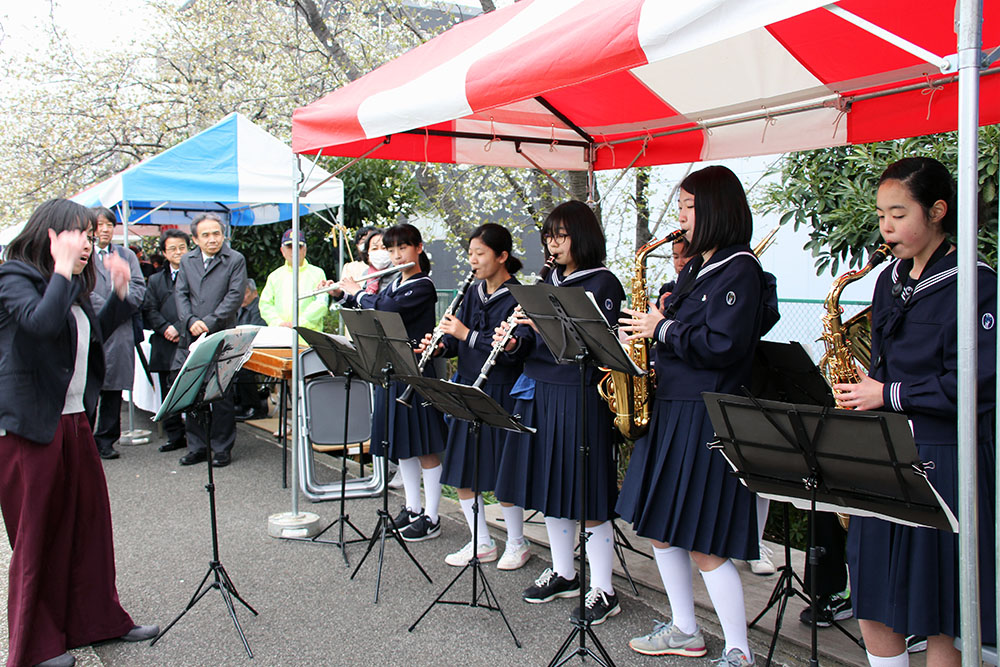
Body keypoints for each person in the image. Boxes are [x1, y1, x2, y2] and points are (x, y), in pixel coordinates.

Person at [834, 157, 996, 667]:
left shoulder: (977, 282)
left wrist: (889, 394)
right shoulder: (888, 280)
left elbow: (978, 383)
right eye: (882, 214)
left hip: (946, 458)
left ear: (937, 212)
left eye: (899, 214)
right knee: (874, 597)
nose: (886, 227)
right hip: (886, 451)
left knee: (941, 610)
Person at [617, 165, 777, 666]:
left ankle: (738, 650)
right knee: (660, 528)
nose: (680, 218)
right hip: (672, 408)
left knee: (706, 542)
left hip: (706, 414)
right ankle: (686, 629)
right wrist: (646, 333)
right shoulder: (698, 267)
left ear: (713, 209)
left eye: (688, 207)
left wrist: (661, 329)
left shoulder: (740, 269)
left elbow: (724, 346)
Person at [0, 199, 158, 667]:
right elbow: (40, 325)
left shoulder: (70, 283)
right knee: (38, 536)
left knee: (89, 525)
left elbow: (87, 334)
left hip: (73, 421)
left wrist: (118, 295)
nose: (88, 244)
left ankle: (99, 620)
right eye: (79, 234)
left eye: (91, 235)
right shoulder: (14, 276)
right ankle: (34, 647)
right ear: (50, 234)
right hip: (29, 426)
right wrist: (64, 271)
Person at [493, 200, 626, 625]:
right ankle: (566, 572)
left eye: (561, 235)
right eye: (549, 235)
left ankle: (603, 588)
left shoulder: (603, 283)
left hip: (580, 394)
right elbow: (531, 346)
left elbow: (594, 346)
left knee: (588, 490)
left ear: (582, 236)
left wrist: (542, 324)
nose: (553, 243)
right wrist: (515, 342)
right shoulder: (549, 278)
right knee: (553, 484)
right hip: (542, 391)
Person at [419, 223, 532, 569]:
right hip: (467, 384)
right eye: (470, 253)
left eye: (480, 254)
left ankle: (517, 542)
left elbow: (512, 351)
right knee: (464, 471)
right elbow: (455, 340)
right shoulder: (472, 292)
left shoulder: (519, 297)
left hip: (501, 389)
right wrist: (438, 346)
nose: (473, 260)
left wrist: (466, 334)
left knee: (503, 473)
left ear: (502, 256)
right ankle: (480, 541)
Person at [327, 223, 447, 541]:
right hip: (391, 369)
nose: (395, 255)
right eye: (390, 249)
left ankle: (432, 516)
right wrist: (344, 295)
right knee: (404, 445)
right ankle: (412, 507)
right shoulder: (393, 283)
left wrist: (360, 293)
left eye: (402, 248)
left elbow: (386, 310)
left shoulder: (423, 285)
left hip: (417, 372)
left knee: (426, 446)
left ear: (418, 248)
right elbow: (367, 314)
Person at [174, 213, 247, 468]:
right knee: (192, 393)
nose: (212, 239)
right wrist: (190, 320)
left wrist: (210, 321)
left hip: (222, 334)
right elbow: (180, 294)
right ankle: (197, 446)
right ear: (195, 238)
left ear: (223, 234)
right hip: (192, 334)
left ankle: (222, 447)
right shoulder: (187, 261)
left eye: (216, 233)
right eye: (205, 235)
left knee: (222, 394)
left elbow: (235, 296)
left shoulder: (235, 259)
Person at [89, 207, 146, 460]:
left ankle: (106, 440)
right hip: (91, 329)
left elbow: (138, 287)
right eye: (100, 225)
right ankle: (85, 440)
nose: (105, 229)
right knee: (88, 389)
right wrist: (109, 308)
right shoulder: (83, 255)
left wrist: (120, 305)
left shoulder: (125, 254)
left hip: (121, 330)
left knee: (113, 390)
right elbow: (82, 290)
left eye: (109, 225)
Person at [141, 228, 191, 453]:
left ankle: (195, 435)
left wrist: (182, 329)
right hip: (164, 341)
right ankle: (174, 435)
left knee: (191, 389)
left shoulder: (196, 274)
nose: (178, 252)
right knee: (167, 391)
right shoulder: (154, 280)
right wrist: (164, 328)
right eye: (172, 248)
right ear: (163, 252)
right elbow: (149, 309)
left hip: (189, 339)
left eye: (182, 247)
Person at [258, 228, 328, 332]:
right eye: (289, 247)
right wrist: (279, 323)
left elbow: (321, 303)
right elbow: (265, 304)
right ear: (282, 251)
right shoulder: (274, 276)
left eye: (298, 246)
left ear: (305, 250)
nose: (294, 250)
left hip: (309, 338)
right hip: (280, 337)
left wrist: (299, 323)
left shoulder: (318, 273)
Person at [234, 279, 269, 421]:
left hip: (259, 348)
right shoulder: (240, 308)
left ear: (254, 293)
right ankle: (239, 403)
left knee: (243, 369)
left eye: (245, 293)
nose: (241, 297)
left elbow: (258, 331)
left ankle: (254, 406)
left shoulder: (259, 307)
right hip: (242, 348)